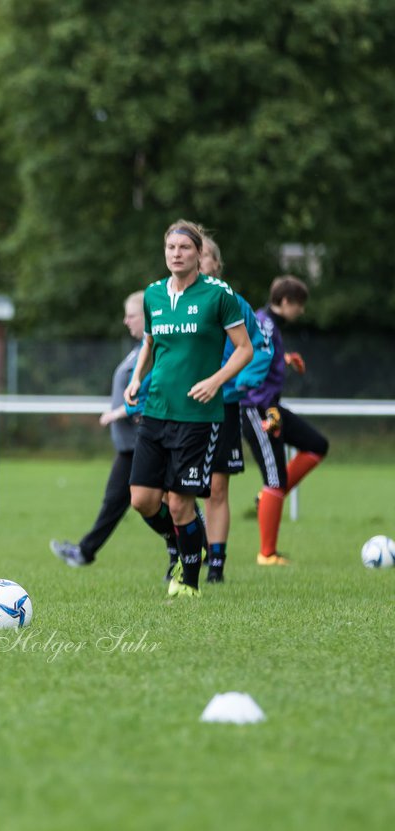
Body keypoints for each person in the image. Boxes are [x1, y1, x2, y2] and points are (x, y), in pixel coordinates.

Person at [124, 220, 253, 598]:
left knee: (181, 503)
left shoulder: (218, 295)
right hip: (156, 410)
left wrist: (216, 380)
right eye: (171, 248)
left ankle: (190, 584)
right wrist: (136, 379)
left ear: (199, 253)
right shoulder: (153, 295)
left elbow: (244, 348)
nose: (176, 254)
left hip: (198, 416)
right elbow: (148, 343)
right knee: (143, 500)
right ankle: (183, 544)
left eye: (184, 248)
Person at [49, 291, 157, 568]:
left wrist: (118, 412)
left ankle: (196, 548)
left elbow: (152, 392)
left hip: (143, 440)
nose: (125, 321)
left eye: (131, 315)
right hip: (128, 444)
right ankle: (85, 551)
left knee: (154, 503)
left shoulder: (154, 350)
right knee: (118, 502)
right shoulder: (137, 350)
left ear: (146, 318)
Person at [195, 235, 273, 583]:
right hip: (181, 407)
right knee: (173, 490)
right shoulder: (173, 301)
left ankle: (216, 565)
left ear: (216, 264)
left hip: (222, 406)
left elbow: (261, 346)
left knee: (216, 487)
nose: (198, 261)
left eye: (205, 256)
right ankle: (182, 554)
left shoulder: (231, 302)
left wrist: (239, 383)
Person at [240, 275, 328, 565]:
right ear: (286, 301)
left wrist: (285, 359)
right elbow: (251, 365)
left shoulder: (266, 322)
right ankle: (267, 554)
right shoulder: (264, 323)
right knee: (275, 480)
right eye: (299, 305)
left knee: (316, 445)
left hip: (270, 406)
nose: (301, 311)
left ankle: (267, 500)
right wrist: (268, 409)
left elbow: (260, 355)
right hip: (258, 408)